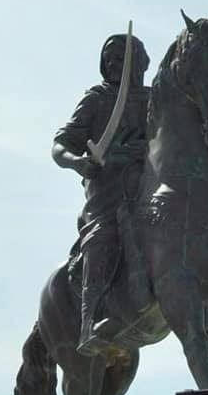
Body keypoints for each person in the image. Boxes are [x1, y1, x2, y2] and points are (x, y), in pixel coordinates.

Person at [52, 32, 150, 355]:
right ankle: (88, 323)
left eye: (121, 58)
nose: (113, 64)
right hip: (108, 192)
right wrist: (78, 163)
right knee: (102, 238)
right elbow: (60, 146)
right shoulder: (96, 99)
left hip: (149, 187)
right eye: (109, 60)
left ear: (139, 63)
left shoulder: (156, 100)